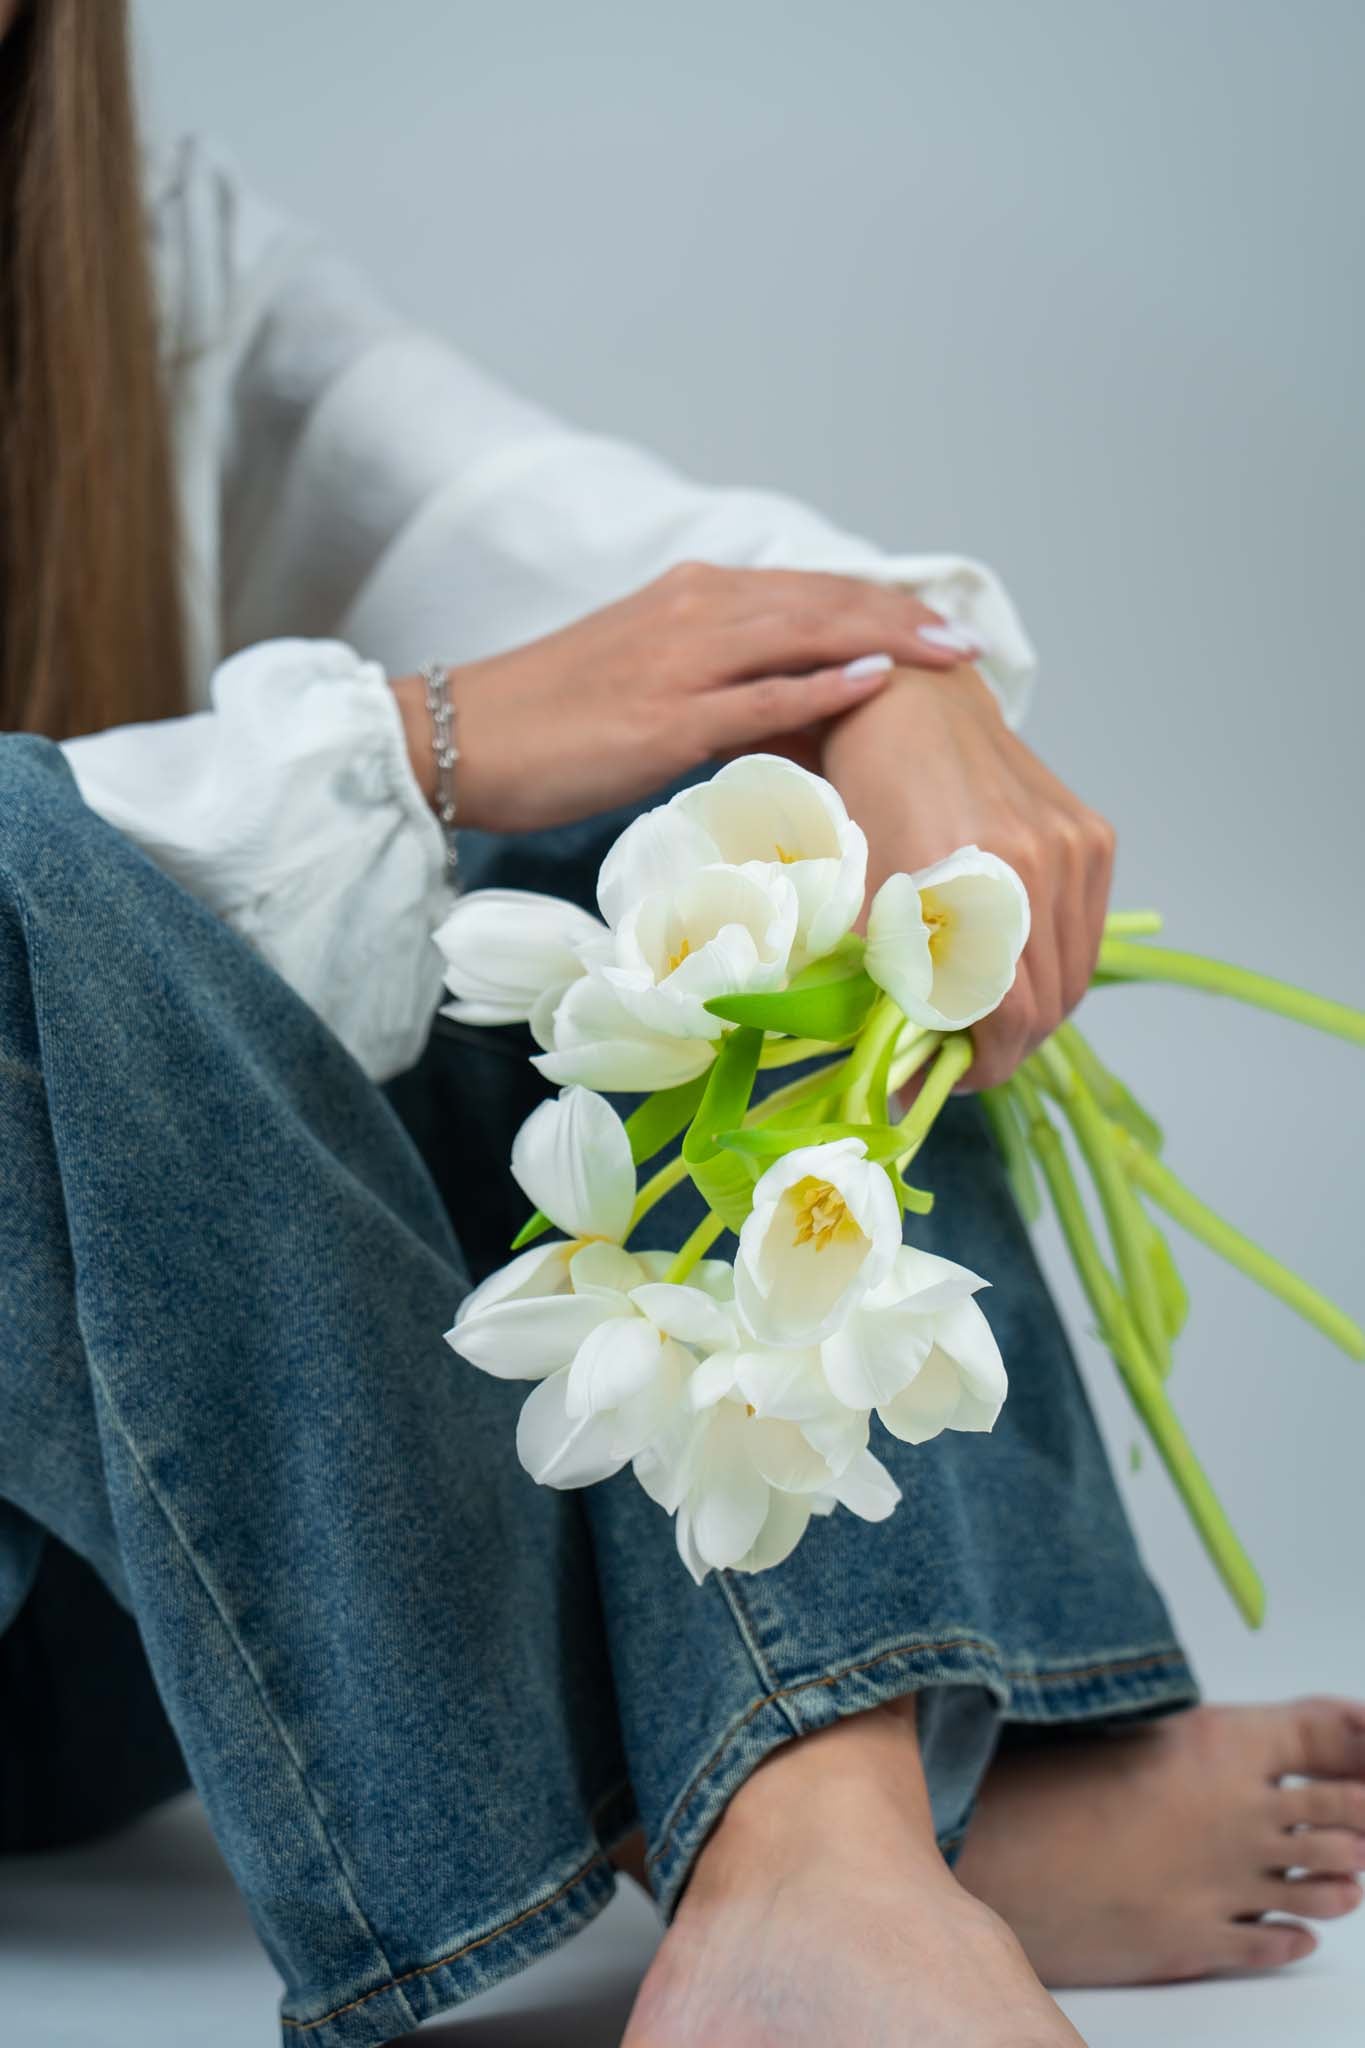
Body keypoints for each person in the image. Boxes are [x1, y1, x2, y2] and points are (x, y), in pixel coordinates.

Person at [1, 7, 1360, 2045]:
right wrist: (413, 742)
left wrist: (871, 668)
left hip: (164, 1620)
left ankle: (824, 1830)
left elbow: (508, 505)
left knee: (701, 816)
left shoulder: (120, 242)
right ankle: (761, 1787)